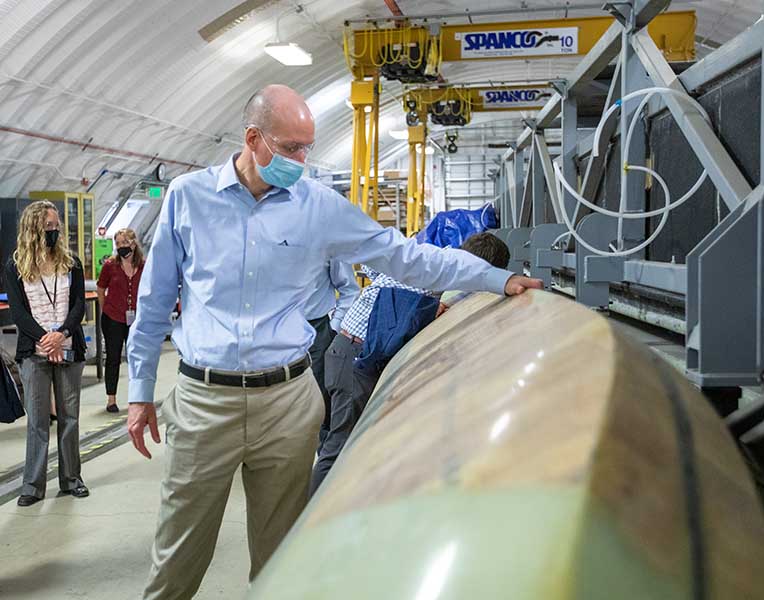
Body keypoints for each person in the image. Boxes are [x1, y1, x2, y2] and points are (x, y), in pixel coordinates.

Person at [125, 84, 541, 599]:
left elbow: (407, 257)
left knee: (282, 559)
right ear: (253, 139)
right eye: (292, 147)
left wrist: (493, 278)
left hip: (288, 400)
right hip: (204, 400)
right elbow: (152, 302)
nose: (303, 160)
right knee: (177, 558)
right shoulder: (188, 198)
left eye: (308, 147)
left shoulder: (318, 207)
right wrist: (140, 391)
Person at [309, 232, 512, 494]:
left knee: (334, 441)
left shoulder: (426, 262)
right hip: (354, 358)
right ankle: (314, 523)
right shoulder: (435, 269)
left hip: (346, 352)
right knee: (340, 447)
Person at [3, 201, 89, 507]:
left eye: (56, 227)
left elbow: (79, 305)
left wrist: (61, 335)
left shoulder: (72, 263)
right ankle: (33, 485)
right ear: (33, 229)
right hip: (34, 354)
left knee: (70, 417)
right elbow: (19, 313)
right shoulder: (16, 267)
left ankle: (72, 479)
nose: (54, 232)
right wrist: (45, 339)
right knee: (38, 421)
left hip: (68, 349)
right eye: (48, 227)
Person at [303, 259, 359, 450]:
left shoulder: (325, 240)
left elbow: (349, 289)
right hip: (274, 332)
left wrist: (333, 327)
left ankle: (324, 464)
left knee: (320, 403)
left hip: (317, 330)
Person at [96, 228, 145, 413]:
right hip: (113, 318)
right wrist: (106, 308)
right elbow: (101, 289)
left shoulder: (143, 266)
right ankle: (111, 399)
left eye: (124, 243)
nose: (121, 247)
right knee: (113, 357)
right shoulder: (110, 265)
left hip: (136, 319)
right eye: (118, 244)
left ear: (133, 243)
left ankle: (137, 396)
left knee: (136, 358)